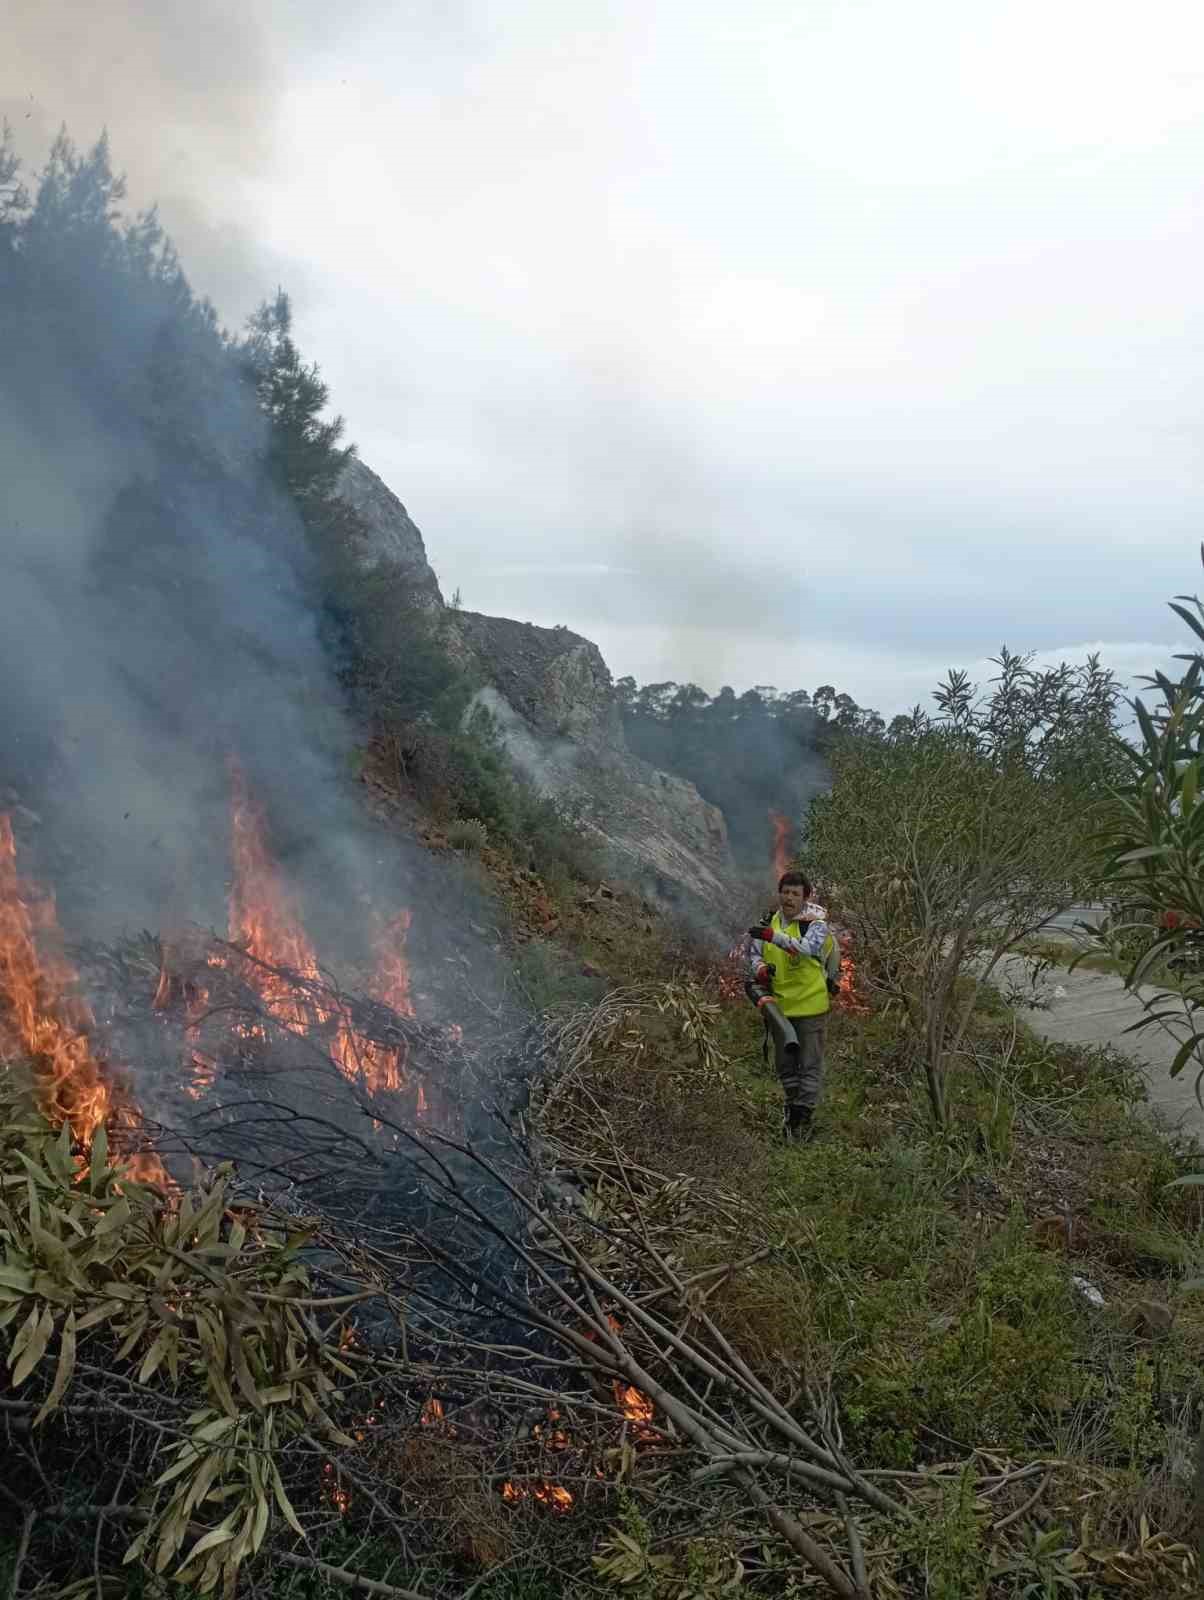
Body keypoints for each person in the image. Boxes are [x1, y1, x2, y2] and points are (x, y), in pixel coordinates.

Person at [746, 871, 841, 1142]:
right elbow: (752, 954)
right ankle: (792, 1110)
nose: (788, 898)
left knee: (809, 1065)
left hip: (811, 1008)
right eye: (785, 892)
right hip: (781, 1009)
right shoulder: (768, 922)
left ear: (805, 897)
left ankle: (803, 1121)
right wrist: (761, 969)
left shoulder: (815, 925)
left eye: (795, 893)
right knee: (786, 1067)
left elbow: (805, 949)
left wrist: (773, 937)